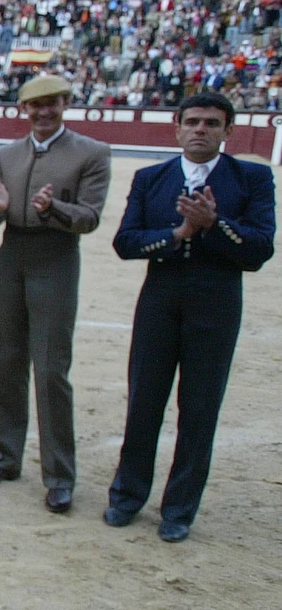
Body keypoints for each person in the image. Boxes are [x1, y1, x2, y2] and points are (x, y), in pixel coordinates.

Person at [105, 93, 274, 542]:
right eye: (194, 121)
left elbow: (260, 250)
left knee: (199, 408)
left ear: (227, 131)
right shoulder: (151, 177)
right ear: (177, 127)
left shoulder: (253, 177)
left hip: (217, 302)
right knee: (144, 400)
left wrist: (215, 225)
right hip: (159, 298)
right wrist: (178, 233)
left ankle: (179, 509)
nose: (201, 129)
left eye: (212, 123)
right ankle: (127, 495)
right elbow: (125, 242)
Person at [0, 74, 112, 512]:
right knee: (8, 360)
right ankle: (7, 456)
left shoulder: (92, 153)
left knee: (51, 367)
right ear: (23, 110)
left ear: (65, 104)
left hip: (56, 258)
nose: (43, 112)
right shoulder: (8, 155)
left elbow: (89, 218)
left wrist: (54, 209)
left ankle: (59, 474)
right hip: (11, 257)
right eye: (35, 106)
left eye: (51, 104)